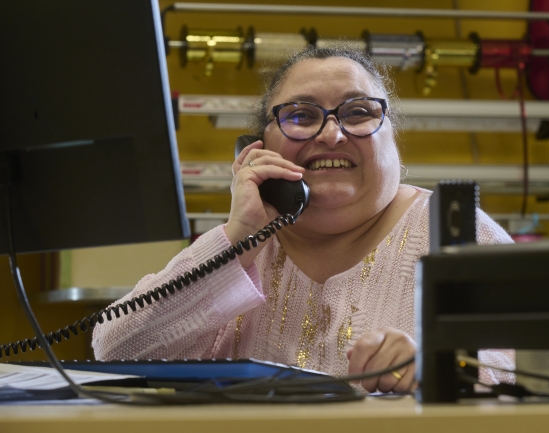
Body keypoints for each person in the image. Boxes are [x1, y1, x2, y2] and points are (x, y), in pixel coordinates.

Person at [92, 45, 513, 393]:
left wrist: (441, 368)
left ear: (393, 138)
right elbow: (115, 350)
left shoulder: (454, 229)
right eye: (301, 116)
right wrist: (238, 240)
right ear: (258, 148)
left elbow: (532, 369)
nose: (332, 134)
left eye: (358, 113)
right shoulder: (242, 243)